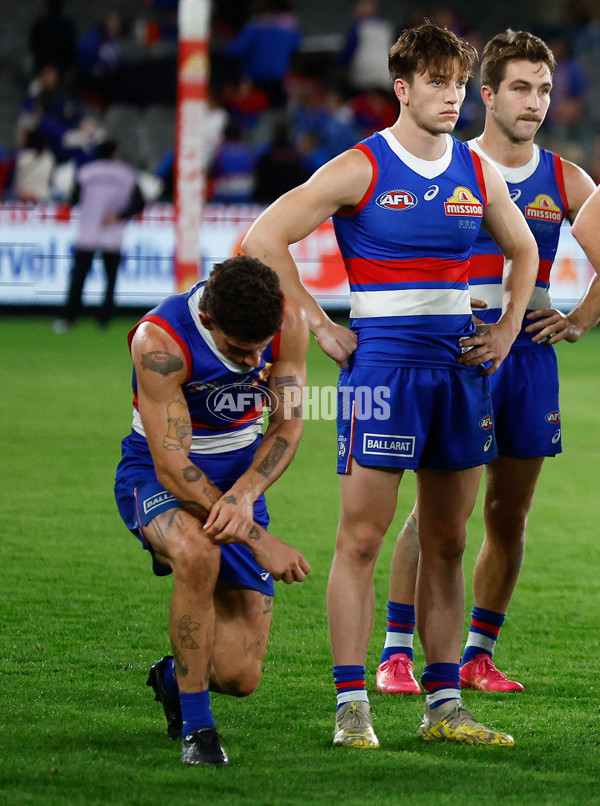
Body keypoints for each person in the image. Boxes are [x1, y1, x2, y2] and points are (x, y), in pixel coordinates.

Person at [242, 22, 539, 748]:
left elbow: (524, 249)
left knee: (445, 541)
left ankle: (444, 708)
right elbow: (262, 239)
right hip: (380, 374)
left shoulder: (478, 171)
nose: (451, 95)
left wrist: (503, 333)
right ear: (402, 89)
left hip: (459, 374)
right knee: (363, 539)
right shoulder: (361, 166)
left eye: (459, 84)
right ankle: (352, 708)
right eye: (437, 82)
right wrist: (319, 324)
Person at [375, 30, 598, 700]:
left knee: (510, 514)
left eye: (546, 90)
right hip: (458, 350)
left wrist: (582, 317)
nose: (535, 103)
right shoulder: (452, 162)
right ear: (488, 94)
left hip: (527, 356)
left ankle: (477, 654)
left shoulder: (565, 179)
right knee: (434, 514)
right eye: (522, 88)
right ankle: (395, 654)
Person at [114, 255, 311, 767]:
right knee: (198, 553)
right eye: (238, 351)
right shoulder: (160, 342)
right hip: (158, 478)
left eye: (260, 349)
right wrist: (258, 538)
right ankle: (199, 733)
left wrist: (244, 497)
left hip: (238, 480)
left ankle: (173, 678)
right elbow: (172, 462)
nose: (253, 362)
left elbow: (287, 426)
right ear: (208, 321)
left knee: (241, 677)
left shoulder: (288, 324)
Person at [53, 139, 145, 332]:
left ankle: (69, 317)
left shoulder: (86, 172)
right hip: (112, 232)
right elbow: (139, 203)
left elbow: (74, 198)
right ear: (114, 153)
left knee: (78, 277)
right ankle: (104, 318)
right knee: (110, 278)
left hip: (88, 232)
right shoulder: (127, 174)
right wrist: (118, 215)